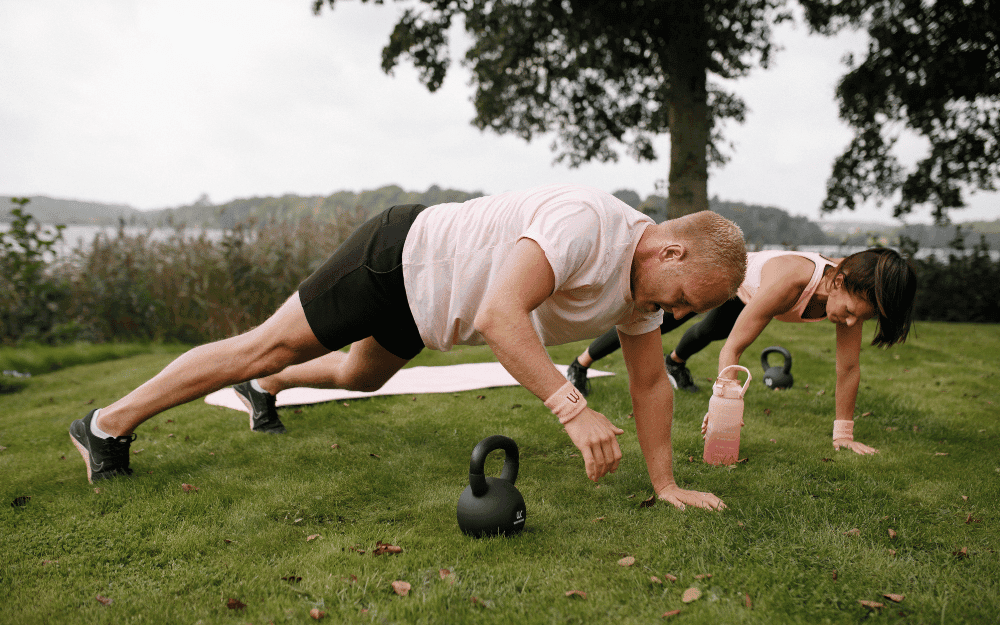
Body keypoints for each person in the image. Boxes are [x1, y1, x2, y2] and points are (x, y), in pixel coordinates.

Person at [69, 184, 746, 511]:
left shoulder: (640, 295)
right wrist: (571, 406)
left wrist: (666, 484)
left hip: (425, 311)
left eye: (690, 310)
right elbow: (499, 315)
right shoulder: (587, 225)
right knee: (266, 344)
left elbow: (652, 385)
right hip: (395, 258)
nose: (679, 313)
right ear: (669, 247)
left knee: (362, 375)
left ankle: (266, 392)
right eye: (685, 295)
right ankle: (103, 425)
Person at [568, 248, 917, 455]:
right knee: (654, 324)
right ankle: (581, 364)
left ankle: (675, 363)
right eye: (853, 313)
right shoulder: (793, 280)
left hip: (751, 296)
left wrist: (844, 435)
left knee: (708, 331)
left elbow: (848, 369)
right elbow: (735, 348)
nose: (852, 323)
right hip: (729, 280)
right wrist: (723, 404)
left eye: (861, 318)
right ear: (838, 283)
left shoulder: (852, 287)